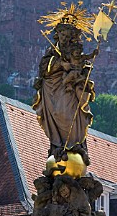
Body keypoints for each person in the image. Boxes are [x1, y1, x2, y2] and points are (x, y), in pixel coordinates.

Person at [33, 23, 95, 166]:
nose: (65, 38)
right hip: (51, 88)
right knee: (56, 113)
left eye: (68, 36)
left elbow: (82, 65)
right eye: (63, 35)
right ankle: (58, 146)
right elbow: (43, 69)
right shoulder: (52, 51)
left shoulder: (74, 50)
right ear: (57, 35)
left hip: (69, 90)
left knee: (67, 114)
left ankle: (74, 145)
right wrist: (60, 64)